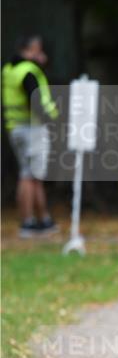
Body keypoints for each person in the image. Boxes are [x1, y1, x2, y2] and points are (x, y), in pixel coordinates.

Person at [2, 34, 59, 238]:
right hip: (32, 128)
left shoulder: (9, 69)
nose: (42, 54)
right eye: (39, 49)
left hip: (15, 128)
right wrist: (50, 122)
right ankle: (29, 222)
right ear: (31, 49)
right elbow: (35, 99)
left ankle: (41, 220)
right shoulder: (28, 72)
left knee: (30, 174)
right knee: (30, 176)